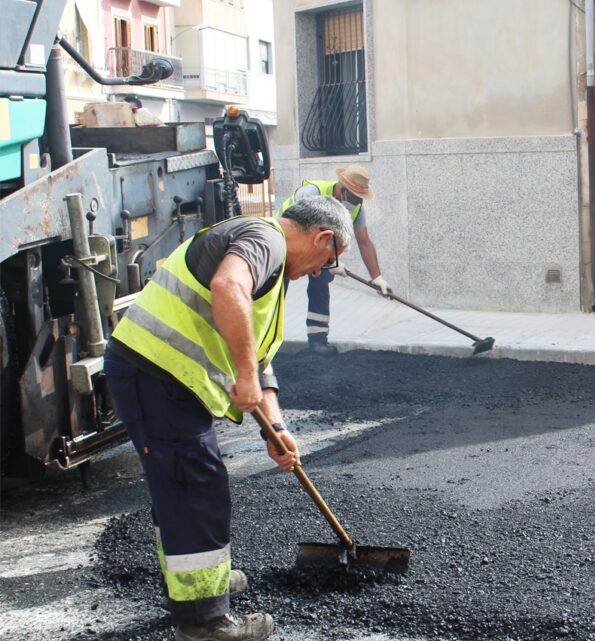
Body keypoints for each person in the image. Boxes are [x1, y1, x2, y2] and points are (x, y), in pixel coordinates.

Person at [103, 196, 353, 641]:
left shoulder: (273, 271)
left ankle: (196, 589)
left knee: (183, 487)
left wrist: (276, 428)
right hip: (156, 375)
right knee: (195, 487)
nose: (319, 271)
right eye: (327, 261)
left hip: (162, 379)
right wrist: (242, 374)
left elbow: (259, 361)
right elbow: (227, 287)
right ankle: (204, 621)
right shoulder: (265, 240)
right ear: (323, 237)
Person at [277, 165, 389, 354]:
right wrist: (330, 259)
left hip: (319, 250)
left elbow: (364, 242)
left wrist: (377, 277)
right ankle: (266, 343)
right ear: (343, 190)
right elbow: (297, 228)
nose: (357, 202)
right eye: (354, 197)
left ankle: (318, 341)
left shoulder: (356, 209)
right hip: (284, 244)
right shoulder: (312, 193)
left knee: (321, 285)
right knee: (278, 290)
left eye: (359, 198)